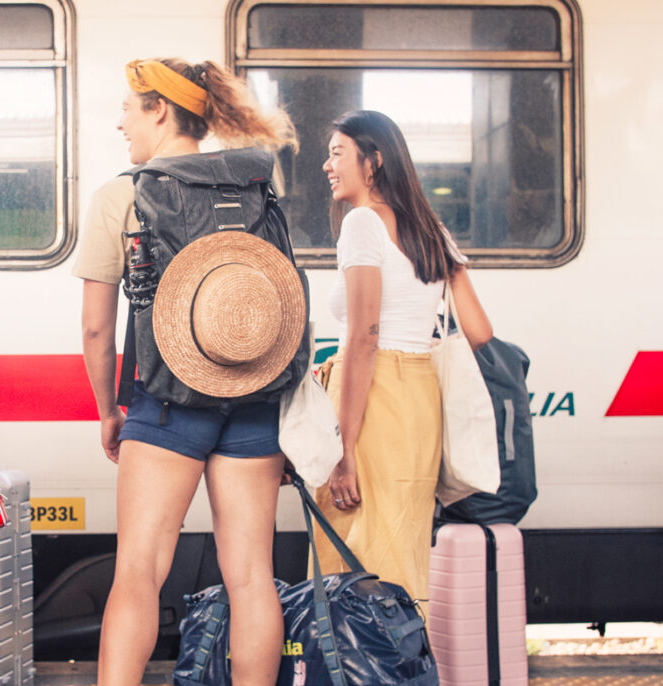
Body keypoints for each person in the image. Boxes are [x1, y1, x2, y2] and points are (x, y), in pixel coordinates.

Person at [76, 58, 297, 686]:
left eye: (128, 107)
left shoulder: (124, 194)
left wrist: (107, 410)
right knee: (251, 572)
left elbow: (96, 328)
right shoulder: (256, 184)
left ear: (160, 110)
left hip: (167, 404)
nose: (121, 122)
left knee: (140, 569)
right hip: (253, 398)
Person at [314, 109, 492, 603]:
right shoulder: (429, 227)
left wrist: (343, 451)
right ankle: (408, 664)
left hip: (375, 400)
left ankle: (360, 674)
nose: (327, 166)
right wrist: (415, 343)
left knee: (356, 564)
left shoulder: (363, 224)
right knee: (401, 556)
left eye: (337, 154)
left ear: (373, 160)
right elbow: (478, 331)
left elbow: (364, 339)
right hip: (418, 397)